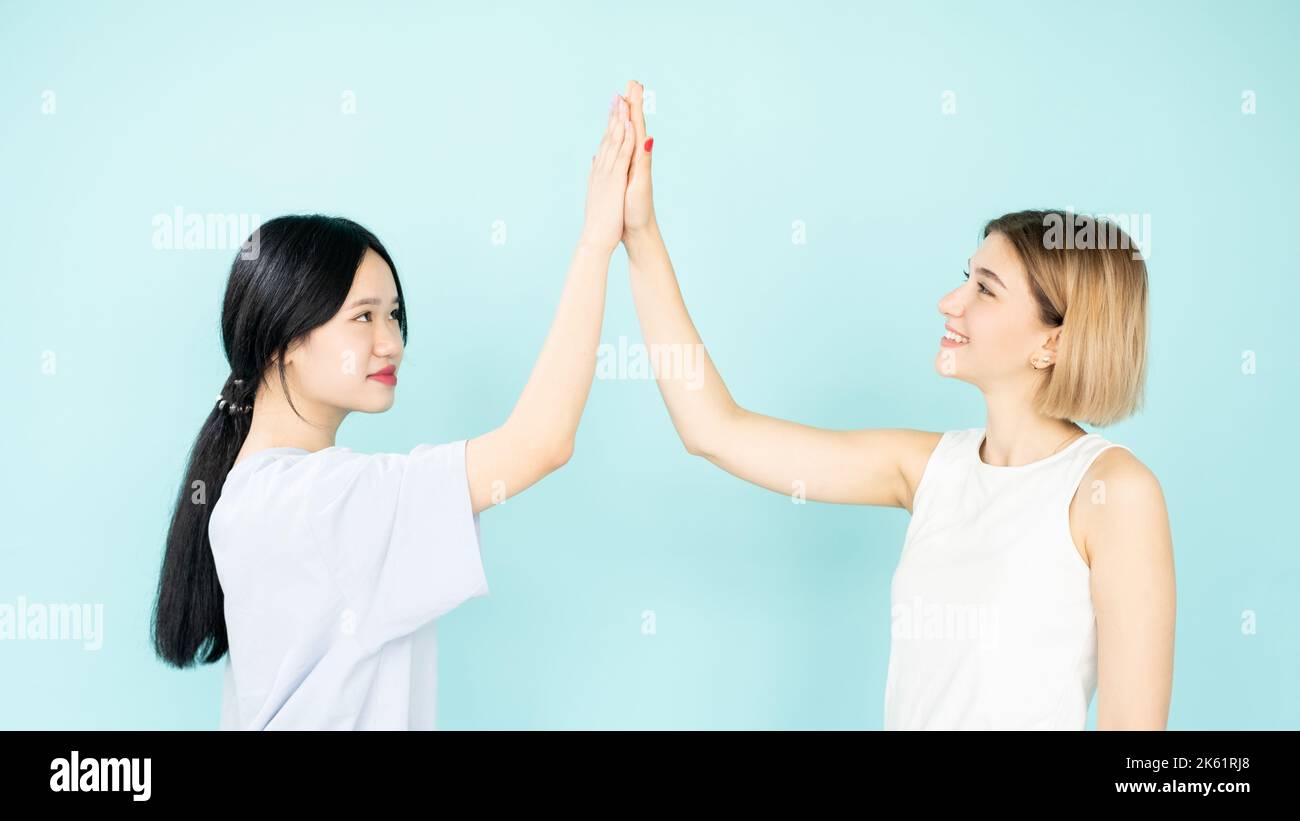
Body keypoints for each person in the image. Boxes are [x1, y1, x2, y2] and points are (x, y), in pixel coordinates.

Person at [615, 80, 1175, 730]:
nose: (951, 301)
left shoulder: (1112, 491)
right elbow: (713, 428)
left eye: (985, 289)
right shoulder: (930, 467)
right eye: (965, 275)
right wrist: (641, 233)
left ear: (1053, 340)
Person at [152, 90, 640, 729]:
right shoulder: (320, 503)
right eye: (363, 317)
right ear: (284, 341)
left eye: (395, 315)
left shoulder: (262, 496)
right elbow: (540, 442)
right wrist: (596, 243)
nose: (392, 342)